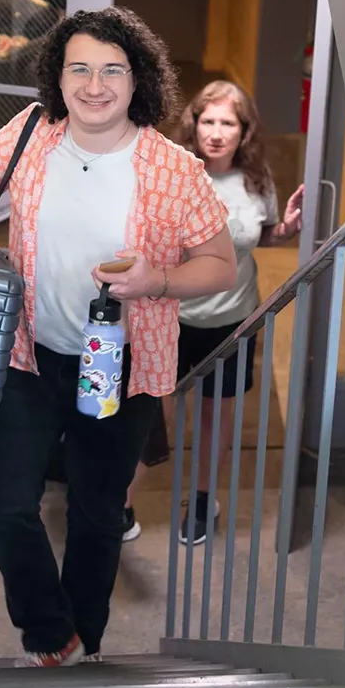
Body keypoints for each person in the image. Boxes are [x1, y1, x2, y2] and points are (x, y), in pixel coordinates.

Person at [0, 6, 238, 667]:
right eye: (79, 68)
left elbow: (222, 265)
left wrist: (156, 279)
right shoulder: (34, 133)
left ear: (137, 81)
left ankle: (84, 646)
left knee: (96, 513)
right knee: (5, 503)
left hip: (117, 365)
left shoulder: (173, 168)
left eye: (111, 70)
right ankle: (53, 635)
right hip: (27, 354)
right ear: (58, 75)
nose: (93, 85)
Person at [121, 80, 303, 546]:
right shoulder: (172, 173)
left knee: (212, 417)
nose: (217, 132)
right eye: (209, 121)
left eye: (229, 123)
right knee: (146, 415)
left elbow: (258, 238)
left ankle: (202, 500)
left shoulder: (256, 179)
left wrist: (285, 229)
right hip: (169, 314)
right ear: (194, 124)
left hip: (231, 320)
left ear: (244, 133)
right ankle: (119, 503)